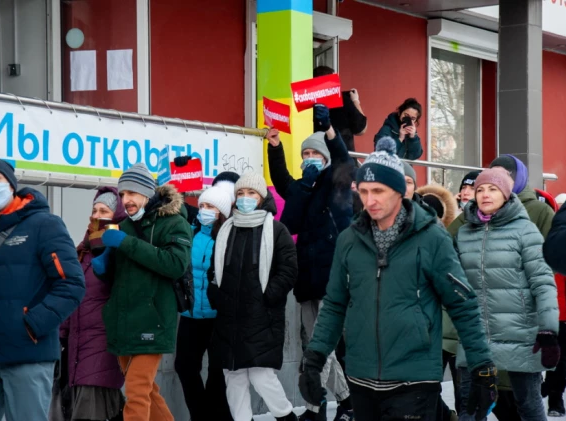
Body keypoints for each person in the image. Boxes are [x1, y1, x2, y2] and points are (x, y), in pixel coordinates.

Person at [298, 137, 497, 421]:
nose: (370, 200)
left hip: (414, 380)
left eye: (378, 190)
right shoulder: (349, 240)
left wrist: (481, 367)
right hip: (362, 378)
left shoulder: (432, 238)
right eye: (364, 191)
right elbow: (335, 304)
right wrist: (314, 360)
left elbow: (462, 305)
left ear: (399, 190)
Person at [0, 157, 85, 421]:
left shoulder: (44, 226)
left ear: (12, 185)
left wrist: (31, 325)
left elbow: (71, 284)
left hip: (28, 356)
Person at [266, 104, 354, 421]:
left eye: (314, 155)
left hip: (333, 280)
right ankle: (347, 401)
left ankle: (315, 408)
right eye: (304, 155)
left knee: (320, 347)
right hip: (307, 281)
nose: (308, 159)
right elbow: (282, 185)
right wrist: (275, 148)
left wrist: (328, 129)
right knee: (317, 347)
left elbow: (344, 159)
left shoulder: (337, 181)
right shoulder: (304, 187)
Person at [455, 167, 559, 421]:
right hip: (475, 334)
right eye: (480, 189)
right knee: (470, 407)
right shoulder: (465, 232)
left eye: (493, 189)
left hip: (520, 332)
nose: (485, 195)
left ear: (506, 194)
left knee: (528, 403)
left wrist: (548, 331)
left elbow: (543, 282)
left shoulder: (525, 231)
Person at [92, 163, 192, 421]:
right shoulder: (123, 226)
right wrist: (104, 266)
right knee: (147, 392)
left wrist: (127, 244)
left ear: (147, 193)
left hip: (153, 319)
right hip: (124, 319)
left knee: (136, 393)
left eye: (132, 193)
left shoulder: (173, 223)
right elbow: (121, 275)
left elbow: (174, 265)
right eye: (123, 194)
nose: (126, 200)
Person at [207, 172, 298, 421]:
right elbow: (214, 270)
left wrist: (268, 297)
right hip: (229, 318)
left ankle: (286, 416)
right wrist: (216, 294)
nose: (245, 198)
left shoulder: (276, 230)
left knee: (262, 376)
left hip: (262, 317)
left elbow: (289, 270)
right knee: (234, 378)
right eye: (240, 193)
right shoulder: (226, 229)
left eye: (251, 193)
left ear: (261, 197)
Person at [49, 187, 126, 421]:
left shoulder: (120, 251)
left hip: (102, 349)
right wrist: (61, 335)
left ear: (117, 216)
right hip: (75, 348)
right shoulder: (81, 251)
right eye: (94, 210)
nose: (96, 215)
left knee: (92, 412)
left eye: (104, 210)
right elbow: (71, 297)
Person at [175, 186, 233, 421]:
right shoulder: (189, 232)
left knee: (217, 375)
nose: (204, 211)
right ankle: (200, 416)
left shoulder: (229, 237)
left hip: (218, 316)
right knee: (185, 367)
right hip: (191, 315)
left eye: (210, 207)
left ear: (221, 212)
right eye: (202, 206)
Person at [534, 191, 566, 418]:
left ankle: (554, 397)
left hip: (562, 311)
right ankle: (544, 389)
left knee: (560, 357)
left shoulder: (558, 240)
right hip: (538, 310)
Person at [313, 65, 368, 152]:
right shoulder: (343, 100)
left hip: (315, 154)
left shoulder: (307, 102)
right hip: (342, 157)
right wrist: (356, 101)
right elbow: (361, 129)